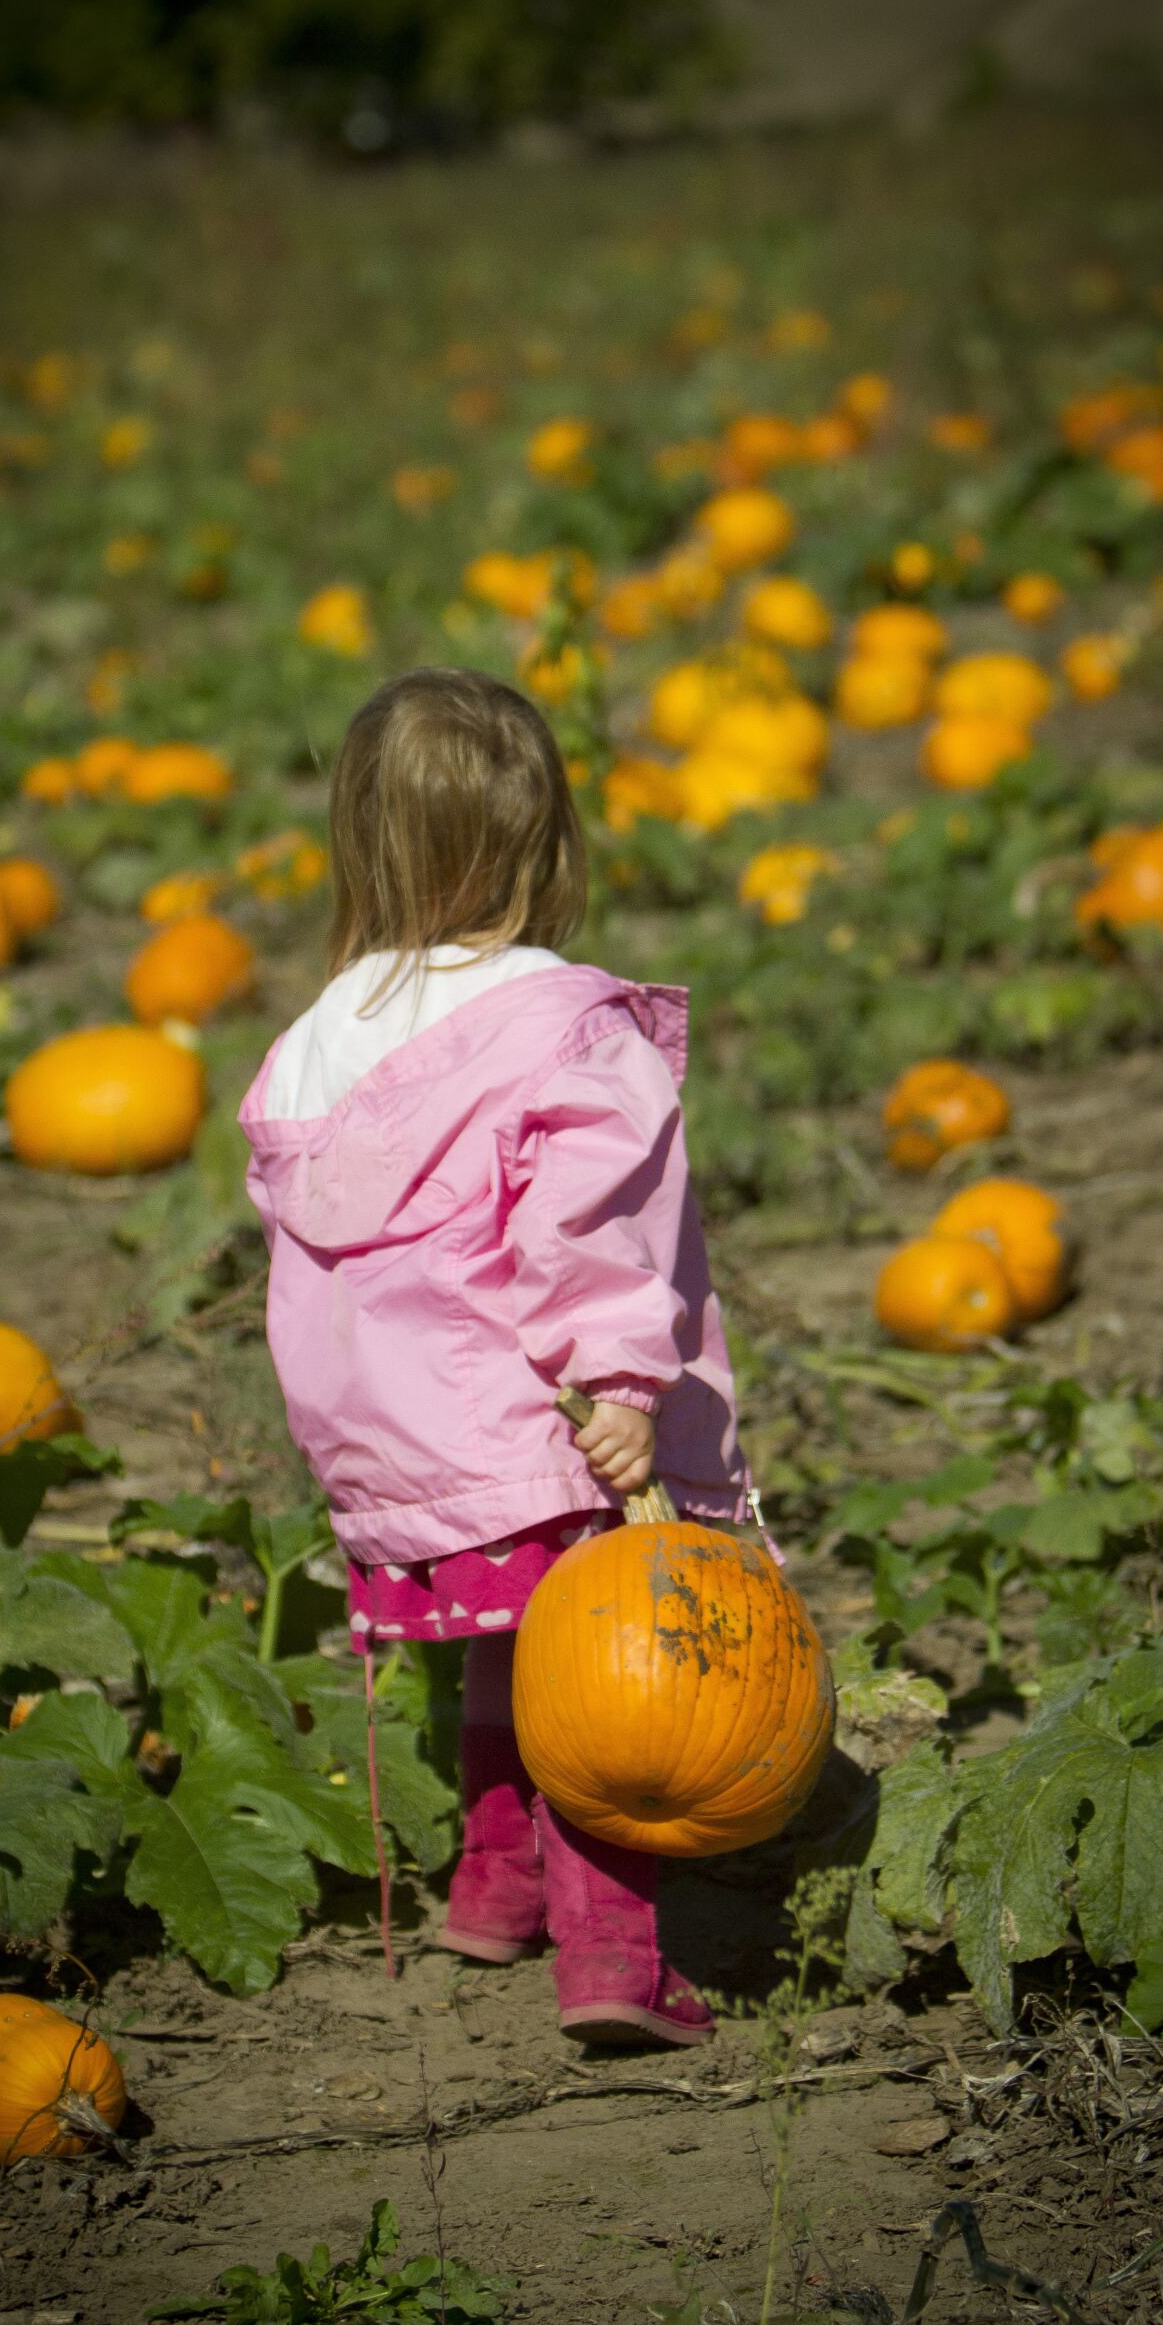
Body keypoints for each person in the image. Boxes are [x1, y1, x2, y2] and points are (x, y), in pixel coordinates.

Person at [239, 666, 747, 2047]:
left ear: (358, 844)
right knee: (598, 1682)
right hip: (538, 1415)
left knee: (497, 1654)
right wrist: (626, 1385)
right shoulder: (559, 1025)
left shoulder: (311, 1043)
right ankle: (615, 1966)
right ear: (546, 844)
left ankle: (494, 1891)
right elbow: (588, 1227)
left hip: (392, 1447)